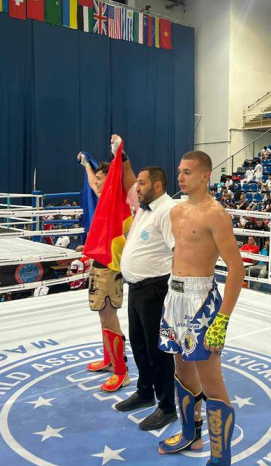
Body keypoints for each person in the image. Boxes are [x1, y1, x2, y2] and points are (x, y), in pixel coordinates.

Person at [158, 150, 244, 464]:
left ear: (205, 176)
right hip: (175, 297)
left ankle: (221, 459)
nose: (180, 177)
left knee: (211, 381)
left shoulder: (215, 214)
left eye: (188, 172)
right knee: (181, 369)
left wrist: (222, 320)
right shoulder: (176, 212)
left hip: (201, 300)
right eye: (179, 171)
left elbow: (236, 268)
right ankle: (190, 434)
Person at [110, 135, 178, 429]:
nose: (136, 187)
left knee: (157, 350)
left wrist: (177, 293)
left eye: (142, 183)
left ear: (158, 186)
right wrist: (122, 156)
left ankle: (167, 406)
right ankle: (145, 392)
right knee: (138, 344)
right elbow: (127, 182)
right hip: (137, 288)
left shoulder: (167, 210)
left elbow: (178, 251)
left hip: (155, 289)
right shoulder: (143, 206)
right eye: (137, 183)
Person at [76, 153, 130, 392]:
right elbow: (92, 183)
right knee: (103, 315)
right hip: (100, 263)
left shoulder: (117, 199)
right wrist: (87, 165)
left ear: (112, 180)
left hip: (110, 265)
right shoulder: (105, 200)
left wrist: (118, 153)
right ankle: (109, 360)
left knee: (109, 317)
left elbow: (112, 177)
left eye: (101, 179)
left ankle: (121, 371)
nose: (96, 183)